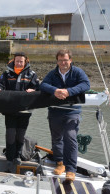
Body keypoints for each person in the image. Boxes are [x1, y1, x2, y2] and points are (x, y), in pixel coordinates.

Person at [40, 49, 90, 181]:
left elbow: (86, 84)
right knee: (57, 138)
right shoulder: (53, 73)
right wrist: (55, 90)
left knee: (70, 138)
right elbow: (43, 85)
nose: (63, 63)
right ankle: (60, 163)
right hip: (55, 111)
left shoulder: (78, 72)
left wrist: (68, 92)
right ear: (57, 61)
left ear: (70, 60)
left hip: (72, 111)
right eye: (60, 60)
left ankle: (71, 168)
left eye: (65, 60)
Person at [0, 52, 39, 171]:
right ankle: (9, 158)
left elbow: (39, 87)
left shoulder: (32, 74)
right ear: (13, 61)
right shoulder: (7, 73)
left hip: (25, 111)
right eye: (17, 61)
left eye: (21, 61)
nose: (19, 63)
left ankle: (18, 155)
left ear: (25, 62)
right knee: (10, 135)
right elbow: (0, 84)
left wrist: (34, 89)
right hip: (10, 110)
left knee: (20, 135)